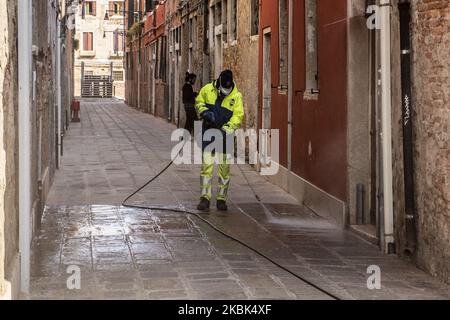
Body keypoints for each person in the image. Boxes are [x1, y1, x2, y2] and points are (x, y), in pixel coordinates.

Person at [195, 70, 244, 211]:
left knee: (224, 169)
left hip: (225, 136)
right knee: (206, 167)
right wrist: (205, 112)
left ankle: (221, 199)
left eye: (227, 90)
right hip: (209, 133)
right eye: (223, 89)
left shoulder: (236, 96)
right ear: (219, 83)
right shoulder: (207, 89)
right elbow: (198, 102)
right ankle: (205, 198)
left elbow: (238, 116)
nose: (225, 92)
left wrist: (227, 128)